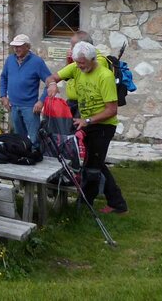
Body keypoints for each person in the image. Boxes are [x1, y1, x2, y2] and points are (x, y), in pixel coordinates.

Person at [45, 41, 128, 215]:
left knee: (93, 167)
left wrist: (87, 120)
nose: (80, 66)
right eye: (77, 62)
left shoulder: (104, 76)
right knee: (94, 163)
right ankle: (108, 202)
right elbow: (51, 77)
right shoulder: (76, 67)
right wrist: (52, 84)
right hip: (86, 123)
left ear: (92, 59)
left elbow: (111, 111)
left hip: (103, 126)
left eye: (83, 63)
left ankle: (93, 204)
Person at [0, 34, 51, 149]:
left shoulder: (37, 62)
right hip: (13, 106)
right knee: (19, 139)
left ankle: (37, 161)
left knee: (35, 139)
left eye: (19, 46)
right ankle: (23, 160)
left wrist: (41, 101)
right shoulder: (10, 60)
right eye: (14, 47)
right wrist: (3, 96)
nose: (16, 49)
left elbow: (50, 83)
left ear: (27, 47)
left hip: (30, 107)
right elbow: (3, 77)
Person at [60, 31, 110, 118]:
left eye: (73, 46)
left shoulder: (98, 59)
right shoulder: (78, 58)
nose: (71, 49)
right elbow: (67, 76)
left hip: (86, 105)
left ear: (82, 47)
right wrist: (69, 62)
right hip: (73, 103)